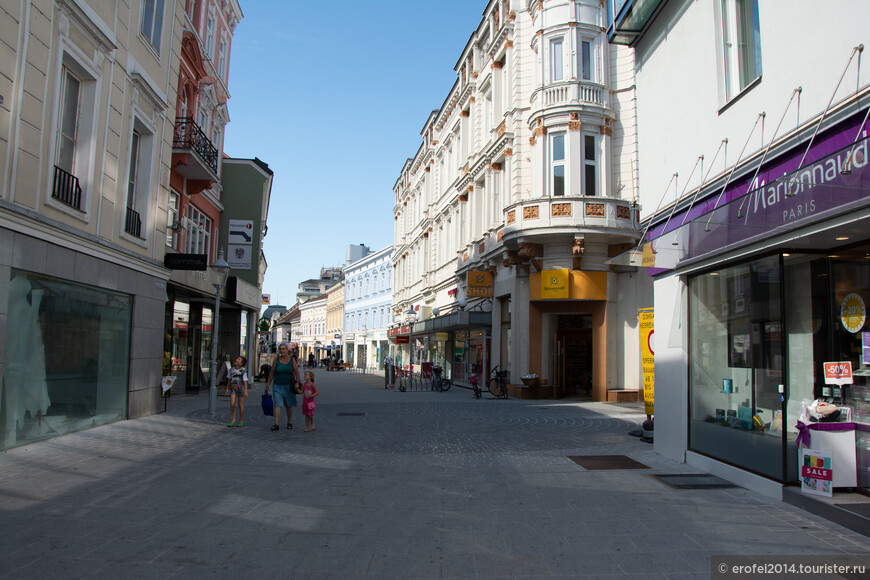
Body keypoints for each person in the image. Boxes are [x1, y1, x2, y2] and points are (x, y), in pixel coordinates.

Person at [265, 343, 300, 431]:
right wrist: (268, 384)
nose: (282, 351)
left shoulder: (292, 360)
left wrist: (297, 383)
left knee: (289, 404)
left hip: (289, 385)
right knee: (278, 404)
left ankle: (289, 421)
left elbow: (296, 372)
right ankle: (276, 423)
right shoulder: (276, 360)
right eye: (280, 349)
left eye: (284, 349)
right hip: (277, 385)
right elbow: (272, 373)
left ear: (287, 350)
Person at [227, 356, 248, 427]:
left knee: (240, 404)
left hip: (240, 388)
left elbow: (245, 381)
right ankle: (233, 419)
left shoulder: (243, 371)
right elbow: (229, 379)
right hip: (233, 388)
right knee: (232, 403)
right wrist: (227, 389)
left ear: (241, 363)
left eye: (239, 359)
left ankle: (241, 420)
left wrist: (245, 391)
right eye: (237, 358)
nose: (236, 360)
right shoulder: (231, 370)